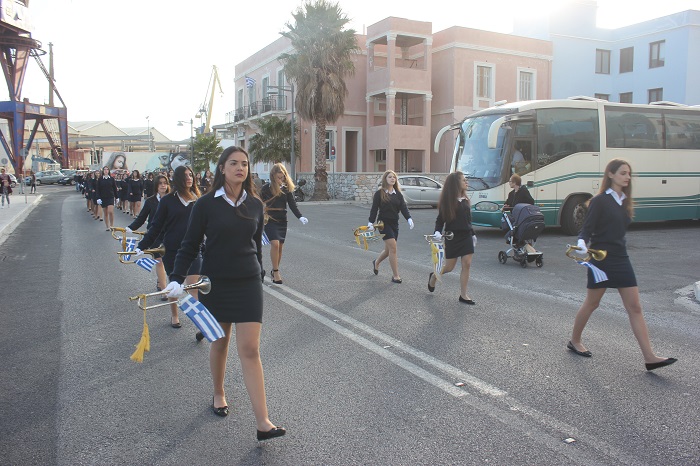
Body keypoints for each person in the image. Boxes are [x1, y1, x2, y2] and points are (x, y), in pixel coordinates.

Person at [163, 146, 286, 441]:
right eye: (233, 163)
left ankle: (263, 422)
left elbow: (255, 245)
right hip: (216, 282)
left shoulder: (255, 204)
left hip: (248, 283)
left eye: (244, 164)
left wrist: (259, 271)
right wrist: (177, 278)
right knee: (220, 342)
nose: (240, 168)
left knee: (250, 349)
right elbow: (190, 245)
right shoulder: (205, 205)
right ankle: (218, 392)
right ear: (222, 168)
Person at [568, 158, 677, 371]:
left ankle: (650, 357)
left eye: (629, 173)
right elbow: (586, 229)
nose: (627, 177)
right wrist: (581, 244)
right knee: (592, 303)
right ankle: (575, 340)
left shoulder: (625, 200)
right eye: (623, 173)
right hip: (601, 260)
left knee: (635, 307)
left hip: (621, 258)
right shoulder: (600, 200)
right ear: (610, 174)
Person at [136, 165, 201, 328]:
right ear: (178, 178)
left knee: (193, 287)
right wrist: (142, 245)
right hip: (172, 250)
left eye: (191, 175)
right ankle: (174, 315)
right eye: (185, 175)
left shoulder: (198, 200)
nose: (189, 178)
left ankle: (200, 322)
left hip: (194, 250)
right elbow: (156, 226)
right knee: (175, 285)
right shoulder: (167, 201)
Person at [428, 171, 477, 304]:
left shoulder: (465, 200)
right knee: (449, 267)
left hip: (466, 236)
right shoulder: (448, 201)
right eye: (463, 180)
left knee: (467, 264)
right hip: (452, 237)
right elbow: (440, 221)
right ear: (456, 183)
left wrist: (473, 234)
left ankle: (463, 295)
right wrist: (437, 232)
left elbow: (468, 220)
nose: (466, 182)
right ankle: (434, 276)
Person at [260, 163, 308, 285]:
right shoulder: (266, 188)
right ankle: (276, 272)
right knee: (275, 244)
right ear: (273, 176)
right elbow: (258, 202)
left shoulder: (286, 189)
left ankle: (274, 269)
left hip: (282, 220)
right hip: (270, 219)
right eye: (278, 177)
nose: (281, 180)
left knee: (280, 246)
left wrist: (300, 216)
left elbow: (292, 204)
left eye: (282, 177)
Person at [128, 174, 171, 301]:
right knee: (159, 261)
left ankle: (160, 281)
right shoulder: (150, 201)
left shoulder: (172, 199)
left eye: (165, 183)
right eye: (160, 183)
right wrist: (130, 228)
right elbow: (142, 218)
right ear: (156, 186)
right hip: (155, 235)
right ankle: (164, 290)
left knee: (168, 262)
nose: (163, 185)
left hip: (169, 235)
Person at [368, 170, 414, 283]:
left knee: (388, 250)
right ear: (385, 179)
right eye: (390, 177)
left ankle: (376, 262)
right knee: (393, 248)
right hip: (383, 224)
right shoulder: (379, 193)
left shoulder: (398, 194)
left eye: (394, 177)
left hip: (394, 223)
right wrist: (370, 222)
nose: (392, 179)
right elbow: (374, 209)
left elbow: (403, 208)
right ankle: (396, 276)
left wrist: (409, 218)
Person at [95, 166, 118, 231]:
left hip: (110, 197)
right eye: (104, 169)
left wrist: (117, 197)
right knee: (105, 213)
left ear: (108, 171)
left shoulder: (111, 179)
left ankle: (112, 225)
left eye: (107, 169)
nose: (106, 171)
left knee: (110, 211)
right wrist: (98, 198)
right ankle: (107, 226)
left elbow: (114, 188)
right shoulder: (100, 179)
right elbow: (98, 189)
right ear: (103, 171)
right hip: (103, 197)